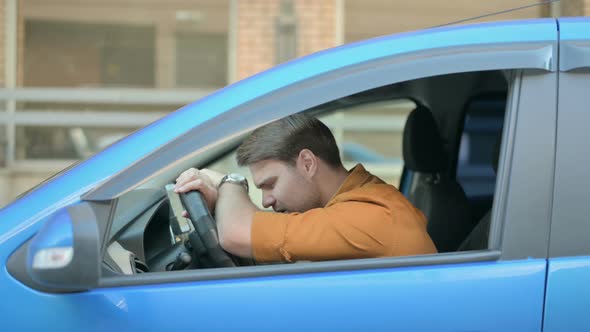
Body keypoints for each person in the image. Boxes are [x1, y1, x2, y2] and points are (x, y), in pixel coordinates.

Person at [175, 113, 437, 263]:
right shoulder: (357, 202)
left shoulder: (369, 216)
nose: (266, 201)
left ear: (307, 163)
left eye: (271, 184)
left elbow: (237, 234)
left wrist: (227, 182)